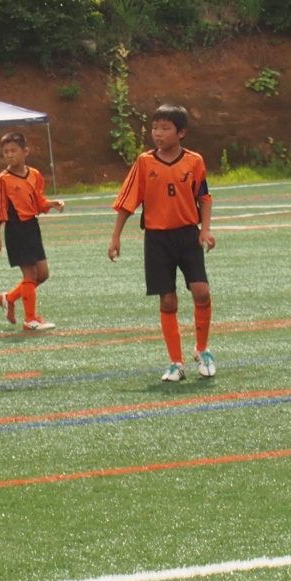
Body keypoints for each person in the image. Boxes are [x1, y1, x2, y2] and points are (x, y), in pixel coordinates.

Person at [108, 104, 216, 382]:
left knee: (201, 291)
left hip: (188, 236)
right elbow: (128, 201)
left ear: (181, 132)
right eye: (155, 127)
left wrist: (205, 230)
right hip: (157, 240)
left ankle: (202, 350)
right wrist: (116, 236)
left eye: (165, 128)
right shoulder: (145, 162)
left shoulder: (194, 161)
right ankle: (176, 362)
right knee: (168, 300)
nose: (158, 133)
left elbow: (204, 197)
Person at [0, 132, 64, 331]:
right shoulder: (3, 179)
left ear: (25, 152)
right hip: (16, 230)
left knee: (43, 274)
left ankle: (9, 298)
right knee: (30, 274)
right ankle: (30, 320)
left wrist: (51, 203)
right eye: (5, 152)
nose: (9, 155)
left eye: (13, 151)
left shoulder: (34, 174)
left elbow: (38, 200)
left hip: (32, 227)